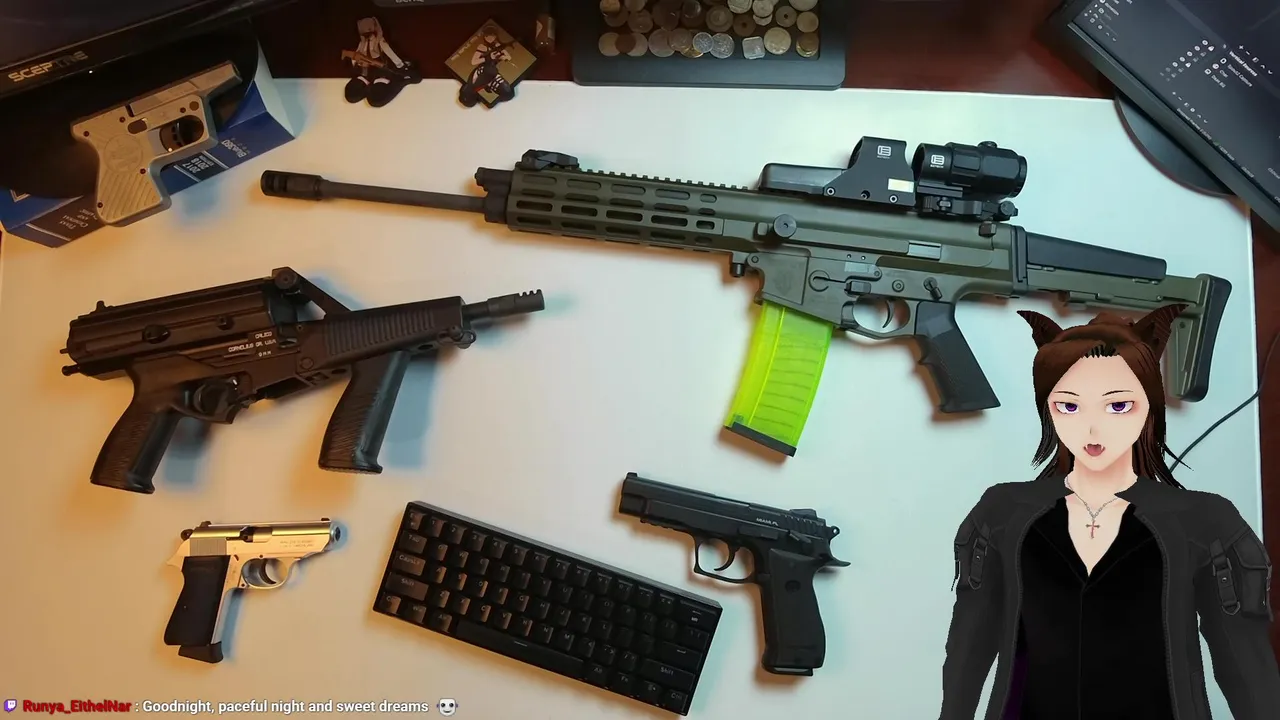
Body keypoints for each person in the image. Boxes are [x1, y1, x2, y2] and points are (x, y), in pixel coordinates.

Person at [939, 305, 1280, 720]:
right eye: (1069, 407)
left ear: (1149, 406)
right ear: (1048, 408)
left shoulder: (1204, 519)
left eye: (1118, 406)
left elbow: (1245, 665)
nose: (1092, 429)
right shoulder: (1002, 511)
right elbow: (969, 647)